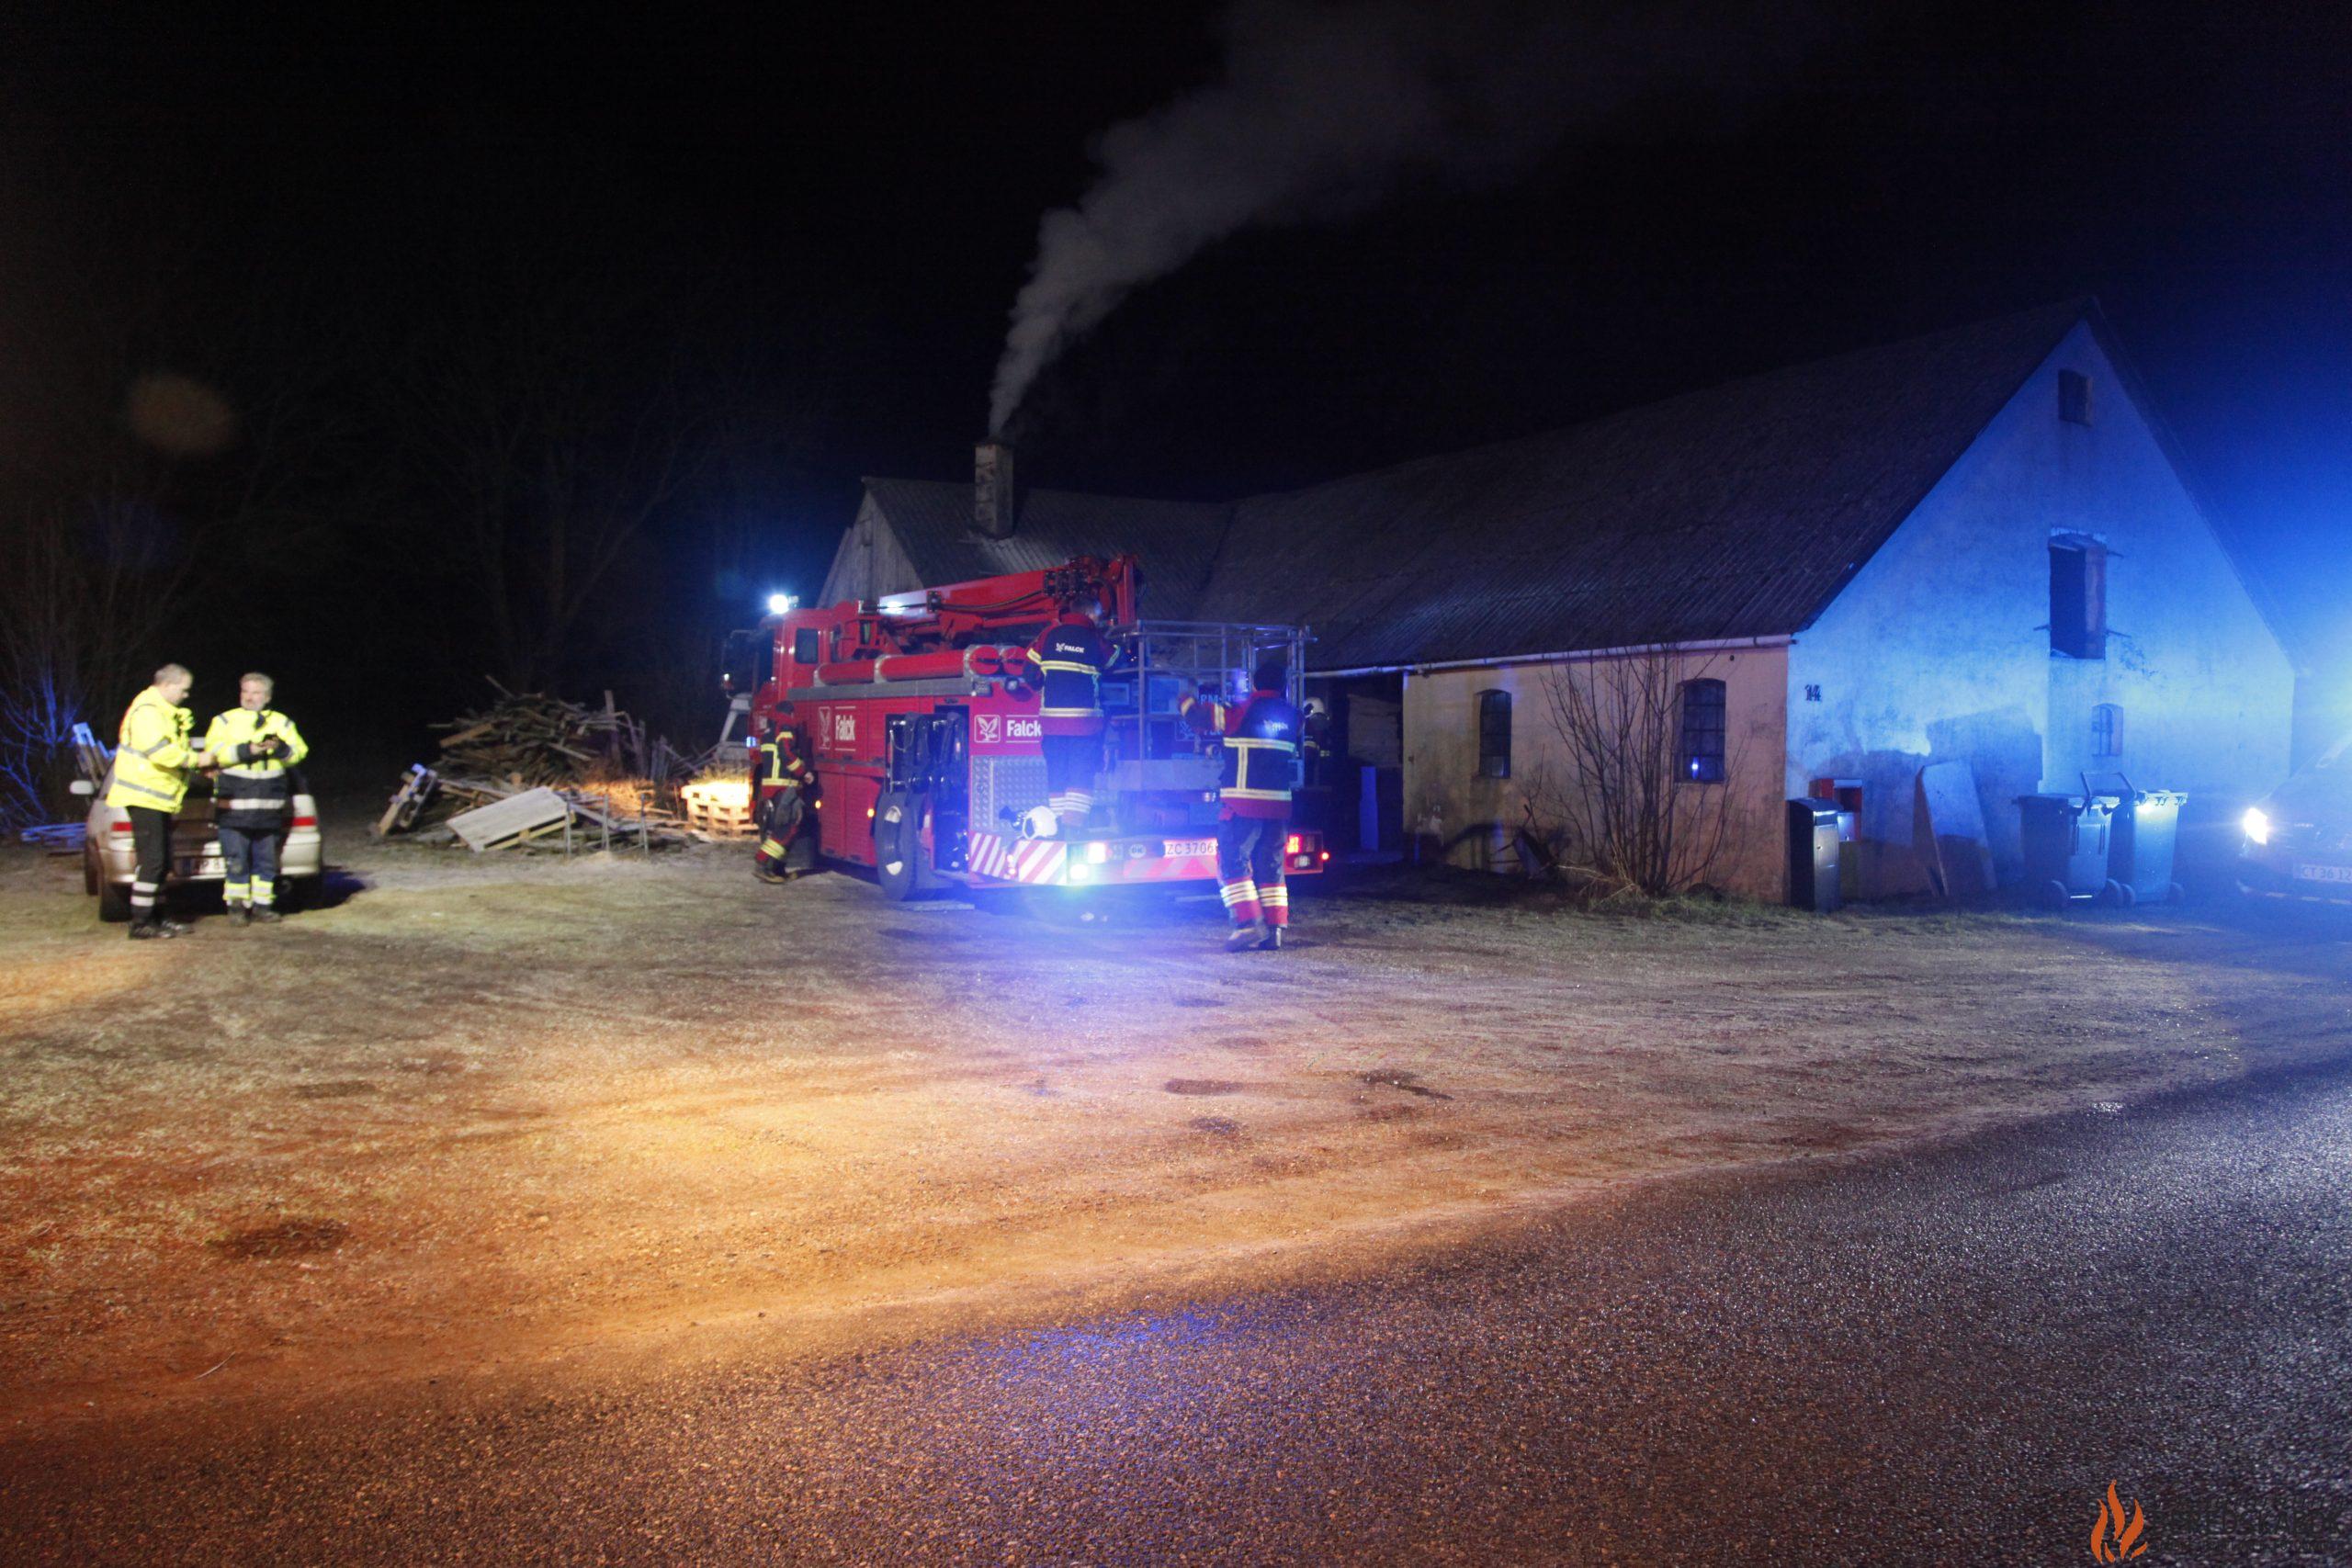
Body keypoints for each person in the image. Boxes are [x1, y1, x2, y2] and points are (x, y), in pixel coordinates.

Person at [1181, 658, 1303, 953]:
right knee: (1271, 867)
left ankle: (1247, 925)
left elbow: (1197, 717)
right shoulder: (1294, 717)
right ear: (1284, 686)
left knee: (1232, 863)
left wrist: (1184, 694)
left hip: (1244, 804)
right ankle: (1273, 933)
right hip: (1279, 807)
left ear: (1256, 685)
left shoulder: (1241, 711)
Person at [106, 663, 213, 939]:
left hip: (156, 797)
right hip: (144, 796)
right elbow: (161, 752)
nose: (186, 695)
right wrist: (196, 760)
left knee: (161, 862)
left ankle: (159, 916)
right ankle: (141, 922)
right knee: (152, 861)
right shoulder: (148, 712)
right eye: (184, 690)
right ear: (169, 685)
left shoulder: (161, 712)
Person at [200, 672, 310, 924]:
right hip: (233, 807)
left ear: (268, 697)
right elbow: (214, 752)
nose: (250, 697)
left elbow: (299, 752)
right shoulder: (224, 720)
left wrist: (280, 748)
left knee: (266, 863)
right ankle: (236, 909)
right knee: (236, 861)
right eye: (245, 692)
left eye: (256, 693)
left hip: (268, 808)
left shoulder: (281, 723)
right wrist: (247, 750)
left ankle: (263, 906)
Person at [1025, 592, 1117, 834]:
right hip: (1084, 725)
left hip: (1052, 725)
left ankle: (1057, 828)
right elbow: (1116, 663)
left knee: (1057, 773)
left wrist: (1042, 684)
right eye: (1098, 615)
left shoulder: (1048, 634)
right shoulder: (1094, 638)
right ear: (1088, 614)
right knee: (1081, 775)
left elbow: (1029, 671)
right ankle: (1074, 830)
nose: (1099, 620)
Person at [752, 725, 814, 883]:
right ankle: (762, 862)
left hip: (774, 789)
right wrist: (803, 772)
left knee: (787, 829)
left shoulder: (768, 734)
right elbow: (787, 755)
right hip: (785, 788)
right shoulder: (785, 730)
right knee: (787, 828)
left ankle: (778, 868)